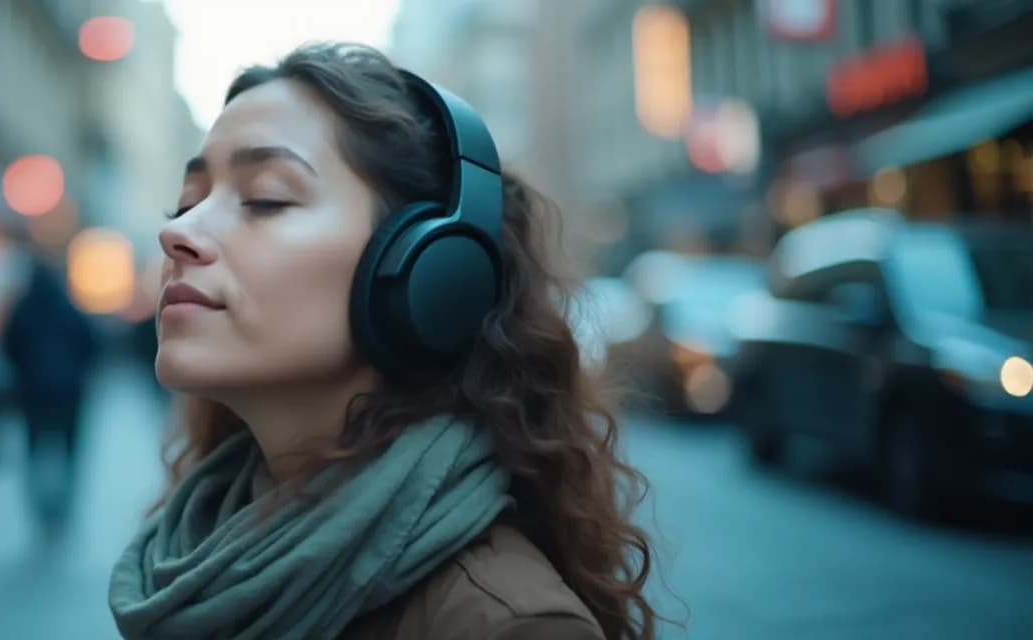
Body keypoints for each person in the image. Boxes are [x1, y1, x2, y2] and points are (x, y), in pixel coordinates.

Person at [108, 43, 661, 640]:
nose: (177, 232)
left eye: (265, 198)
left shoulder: (505, 624)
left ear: (428, 269)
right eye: (188, 202)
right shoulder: (196, 548)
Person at [1, 253, 99, 528]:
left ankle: (39, 508)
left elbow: (9, 347)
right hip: (70, 393)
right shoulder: (70, 307)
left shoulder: (22, 308)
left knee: (34, 451)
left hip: (33, 393)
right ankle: (63, 508)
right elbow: (92, 344)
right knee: (69, 453)